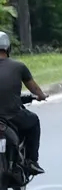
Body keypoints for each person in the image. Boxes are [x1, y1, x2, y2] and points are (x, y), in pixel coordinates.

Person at [0, 32, 47, 174]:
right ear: (8, 48)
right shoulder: (19, 66)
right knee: (34, 121)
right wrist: (41, 95)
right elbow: (34, 88)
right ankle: (32, 161)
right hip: (12, 115)